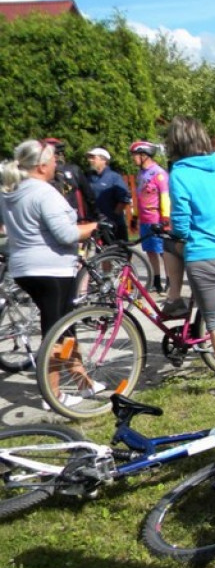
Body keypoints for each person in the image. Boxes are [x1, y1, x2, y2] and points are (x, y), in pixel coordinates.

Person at [1, 139, 99, 408]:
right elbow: (66, 234)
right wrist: (93, 227)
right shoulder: (44, 193)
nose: (58, 162)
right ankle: (53, 394)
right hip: (51, 268)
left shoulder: (10, 192)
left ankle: (82, 381)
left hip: (24, 267)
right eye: (54, 159)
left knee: (65, 325)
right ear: (42, 165)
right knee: (56, 331)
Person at [164, 116, 215, 399]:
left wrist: (177, 232)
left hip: (206, 257)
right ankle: (182, 304)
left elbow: (181, 225)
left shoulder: (180, 174)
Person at [129, 141, 175, 294]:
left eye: (135, 155)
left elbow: (165, 197)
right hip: (145, 219)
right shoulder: (141, 174)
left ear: (144, 155)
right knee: (150, 251)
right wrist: (135, 216)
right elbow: (139, 196)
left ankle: (170, 280)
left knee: (163, 251)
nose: (133, 159)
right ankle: (156, 281)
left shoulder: (159, 173)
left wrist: (166, 218)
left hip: (157, 220)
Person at [43, 138, 96, 222]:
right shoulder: (73, 169)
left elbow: (89, 196)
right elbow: (89, 197)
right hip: (67, 218)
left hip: (68, 217)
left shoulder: (73, 170)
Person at [86, 147, 131, 240]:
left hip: (115, 226)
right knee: (102, 253)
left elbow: (124, 198)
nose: (90, 160)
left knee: (120, 253)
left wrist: (113, 217)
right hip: (97, 225)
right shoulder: (89, 178)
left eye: (93, 158)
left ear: (103, 160)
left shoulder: (114, 177)